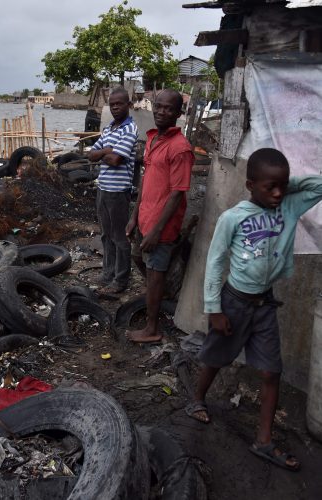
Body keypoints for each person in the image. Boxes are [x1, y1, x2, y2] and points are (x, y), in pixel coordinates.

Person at [186, 148, 322, 471]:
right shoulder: (232, 217)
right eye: (269, 187)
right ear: (250, 185)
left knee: (271, 371)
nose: (277, 193)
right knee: (216, 357)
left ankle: (264, 440)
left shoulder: (288, 205)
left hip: (264, 307)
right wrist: (213, 310)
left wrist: (288, 184)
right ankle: (196, 400)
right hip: (233, 302)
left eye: (282, 186)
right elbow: (216, 262)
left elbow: (318, 187)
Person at [126, 89, 193, 342]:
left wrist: (156, 231)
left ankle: (152, 329)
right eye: (159, 107)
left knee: (154, 275)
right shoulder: (153, 138)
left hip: (161, 227)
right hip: (145, 217)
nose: (162, 112)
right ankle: (162, 290)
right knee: (138, 258)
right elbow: (145, 180)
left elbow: (177, 194)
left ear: (178, 113)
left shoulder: (181, 148)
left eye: (168, 109)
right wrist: (134, 216)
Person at [89, 87, 138, 294]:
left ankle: (120, 280)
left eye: (120, 103)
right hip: (103, 188)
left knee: (119, 237)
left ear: (129, 105)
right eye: (112, 104)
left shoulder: (130, 129)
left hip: (118, 192)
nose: (116, 107)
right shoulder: (109, 129)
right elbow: (91, 154)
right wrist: (106, 151)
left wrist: (106, 154)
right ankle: (108, 274)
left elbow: (117, 160)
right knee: (106, 235)